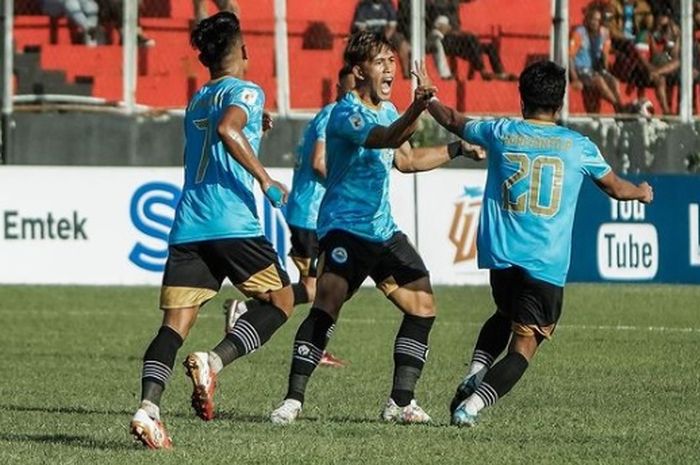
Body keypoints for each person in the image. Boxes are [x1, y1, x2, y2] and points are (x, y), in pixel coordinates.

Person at [268, 31, 484, 426]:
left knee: (423, 305)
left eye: (391, 61)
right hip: (344, 229)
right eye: (381, 62)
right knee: (327, 303)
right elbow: (384, 139)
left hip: (382, 231)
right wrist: (418, 109)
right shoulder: (346, 114)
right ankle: (292, 401)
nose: (390, 69)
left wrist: (457, 149)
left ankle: (400, 402)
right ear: (359, 71)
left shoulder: (389, 110)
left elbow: (406, 159)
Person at [424, 60, 653, 427]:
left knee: (504, 313)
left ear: (522, 99)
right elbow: (614, 187)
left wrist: (427, 98)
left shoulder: (501, 131)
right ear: (559, 104)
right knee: (524, 348)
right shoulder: (577, 146)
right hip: (544, 263)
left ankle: (476, 368)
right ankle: (472, 406)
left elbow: (453, 119)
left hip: (501, 258)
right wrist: (640, 192)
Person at [129, 11, 295, 449]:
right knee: (281, 299)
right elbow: (228, 129)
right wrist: (265, 179)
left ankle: (148, 410)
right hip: (231, 222)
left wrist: (253, 128)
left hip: (189, 226)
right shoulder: (247, 90)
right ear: (242, 50)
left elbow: (219, 128)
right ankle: (213, 361)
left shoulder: (199, 97)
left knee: (173, 327)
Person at [222, 65, 357, 369]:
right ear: (339, 88)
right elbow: (320, 163)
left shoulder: (327, 115)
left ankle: (314, 345)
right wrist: (350, 181)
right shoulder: (333, 115)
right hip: (311, 214)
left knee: (320, 286)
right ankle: (248, 310)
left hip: (309, 212)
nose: (353, 97)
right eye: (349, 90)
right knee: (316, 289)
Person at [425, 0, 517, 81]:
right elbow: (438, 29)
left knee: (490, 47)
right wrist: (455, 32)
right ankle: (483, 71)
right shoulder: (434, 5)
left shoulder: (453, 3)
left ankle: (500, 73)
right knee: (470, 38)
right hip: (445, 41)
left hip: (460, 42)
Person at [570, 5, 637, 113]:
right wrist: (574, 78)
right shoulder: (579, 32)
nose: (594, 22)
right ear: (587, 19)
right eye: (592, 19)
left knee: (614, 81)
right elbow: (570, 56)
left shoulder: (604, 33)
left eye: (597, 20)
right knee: (599, 80)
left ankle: (619, 110)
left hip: (596, 70)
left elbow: (605, 56)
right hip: (582, 69)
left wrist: (606, 73)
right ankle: (620, 107)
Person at [635, 7, 681, 114]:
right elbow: (642, 59)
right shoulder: (645, 34)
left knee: (679, 62)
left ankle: (657, 72)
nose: (663, 21)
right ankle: (666, 110)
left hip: (662, 69)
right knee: (660, 79)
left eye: (667, 20)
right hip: (647, 69)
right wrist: (652, 69)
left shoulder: (668, 35)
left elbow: (674, 56)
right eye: (662, 18)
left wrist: (677, 38)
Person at [351, 0, 412, 79]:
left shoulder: (388, 5)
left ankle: (406, 73)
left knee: (402, 43)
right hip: (369, 35)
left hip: (386, 36)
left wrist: (383, 39)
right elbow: (362, 28)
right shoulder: (364, 6)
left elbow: (392, 26)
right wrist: (373, 40)